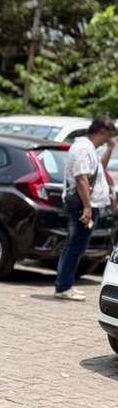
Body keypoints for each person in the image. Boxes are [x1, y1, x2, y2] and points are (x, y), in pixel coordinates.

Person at [55, 116, 116, 301]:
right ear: (102, 132)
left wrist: (110, 149)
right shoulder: (82, 148)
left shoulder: (90, 148)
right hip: (83, 205)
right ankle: (63, 286)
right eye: (108, 135)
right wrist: (87, 207)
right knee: (75, 246)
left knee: (76, 246)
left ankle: (66, 285)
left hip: (89, 204)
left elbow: (99, 170)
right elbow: (81, 178)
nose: (109, 138)